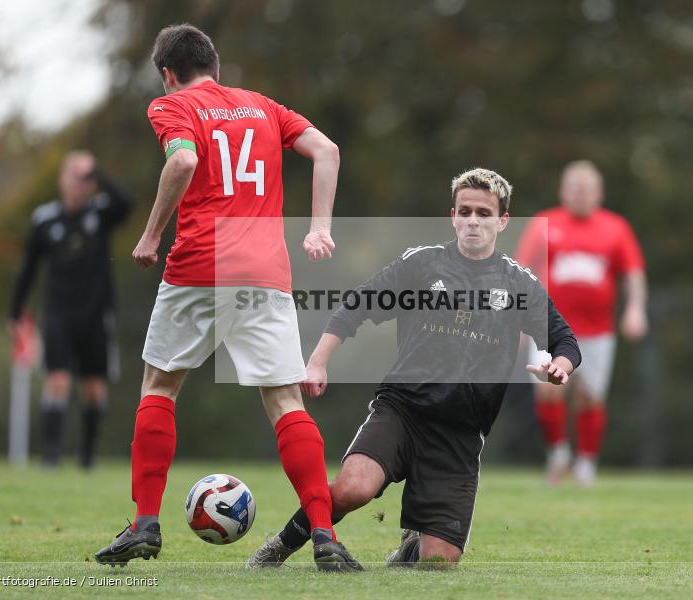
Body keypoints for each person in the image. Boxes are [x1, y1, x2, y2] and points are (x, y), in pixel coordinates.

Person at [93, 24, 358, 571]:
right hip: (265, 272)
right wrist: (319, 227)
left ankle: (144, 524)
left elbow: (184, 161)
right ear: (215, 63)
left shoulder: (174, 106)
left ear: (169, 74)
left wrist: (149, 235)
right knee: (286, 400)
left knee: (160, 385)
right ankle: (326, 535)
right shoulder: (261, 106)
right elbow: (327, 150)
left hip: (199, 266)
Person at [247, 168, 581, 568]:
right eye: (466, 211)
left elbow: (566, 343)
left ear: (502, 220)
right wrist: (317, 362)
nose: (473, 220)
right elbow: (357, 304)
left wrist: (558, 368)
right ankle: (279, 548)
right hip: (402, 410)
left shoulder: (518, 284)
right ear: (453, 215)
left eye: (484, 213)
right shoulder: (422, 265)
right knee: (353, 488)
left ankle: (411, 545)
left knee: (438, 562)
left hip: (460, 432)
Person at [514, 160, 647, 486]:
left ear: (599, 193)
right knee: (548, 389)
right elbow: (520, 271)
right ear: (563, 190)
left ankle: (586, 465)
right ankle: (558, 455)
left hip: (597, 331)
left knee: (590, 396)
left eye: (587, 188)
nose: (581, 194)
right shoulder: (544, 223)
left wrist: (635, 308)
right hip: (547, 326)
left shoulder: (616, 227)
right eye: (575, 187)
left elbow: (632, 273)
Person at [10, 151, 131, 469]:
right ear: (62, 181)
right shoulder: (45, 219)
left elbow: (125, 203)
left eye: (85, 179)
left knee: (93, 387)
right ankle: (50, 457)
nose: (79, 185)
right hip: (59, 313)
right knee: (58, 380)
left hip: (96, 313)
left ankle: (86, 457)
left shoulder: (101, 213)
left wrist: (97, 172)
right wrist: (16, 312)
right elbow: (28, 269)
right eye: (74, 177)